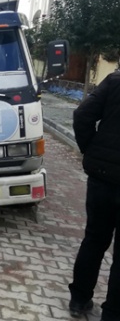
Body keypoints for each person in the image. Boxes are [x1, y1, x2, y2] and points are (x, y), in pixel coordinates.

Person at [69, 69, 120, 321]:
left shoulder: (115, 80)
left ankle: (79, 299)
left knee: (94, 239)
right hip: (104, 172)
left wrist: (91, 150)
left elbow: (82, 115)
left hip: (102, 177)